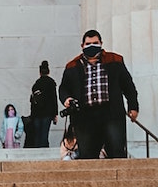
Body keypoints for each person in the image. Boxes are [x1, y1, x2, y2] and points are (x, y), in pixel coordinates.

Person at [58, 29, 139, 159]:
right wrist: (66, 99)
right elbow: (63, 88)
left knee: (116, 150)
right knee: (87, 155)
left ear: (101, 43)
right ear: (82, 46)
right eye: (88, 43)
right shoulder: (72, 66)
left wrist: (133, 107)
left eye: (95, 42)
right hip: (85, 117)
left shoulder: (115, 60)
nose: (92, 46)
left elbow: (128, 86)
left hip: (111, 114)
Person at [28, 60, 59, 148]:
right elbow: (54, 99)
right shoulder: (51, 83)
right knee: (44, 134)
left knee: (37, 134)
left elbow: (33, 100)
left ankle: (37, 153)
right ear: (48, 71)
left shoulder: (36, 84)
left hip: (37, 113)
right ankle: (44, 152)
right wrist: (55, 114)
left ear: (40, 72)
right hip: (48, 113)